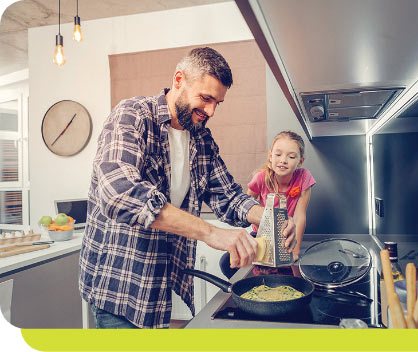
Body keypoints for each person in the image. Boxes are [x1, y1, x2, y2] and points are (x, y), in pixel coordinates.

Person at [78, 47, 296, 329]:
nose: (211, 111)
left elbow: (228, 196)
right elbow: (120, 193)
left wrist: (269, 216)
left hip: (157, 284)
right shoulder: (131, 116)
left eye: (218, 102)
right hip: (120, 283)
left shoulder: (201, 138)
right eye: (206, 98)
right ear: (179, 80)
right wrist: (211, 233)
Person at [219, 130, 315, 278]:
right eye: (278, 154)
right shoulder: (261, 178)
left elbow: (300, 216)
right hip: (261, 236)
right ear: (270, 156)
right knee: (226, 262)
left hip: (287, 235)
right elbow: (244, 207)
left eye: (291, 156)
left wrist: (294, 251)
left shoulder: (304, 177)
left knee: (287, 273)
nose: (283, 160)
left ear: (300, 161)